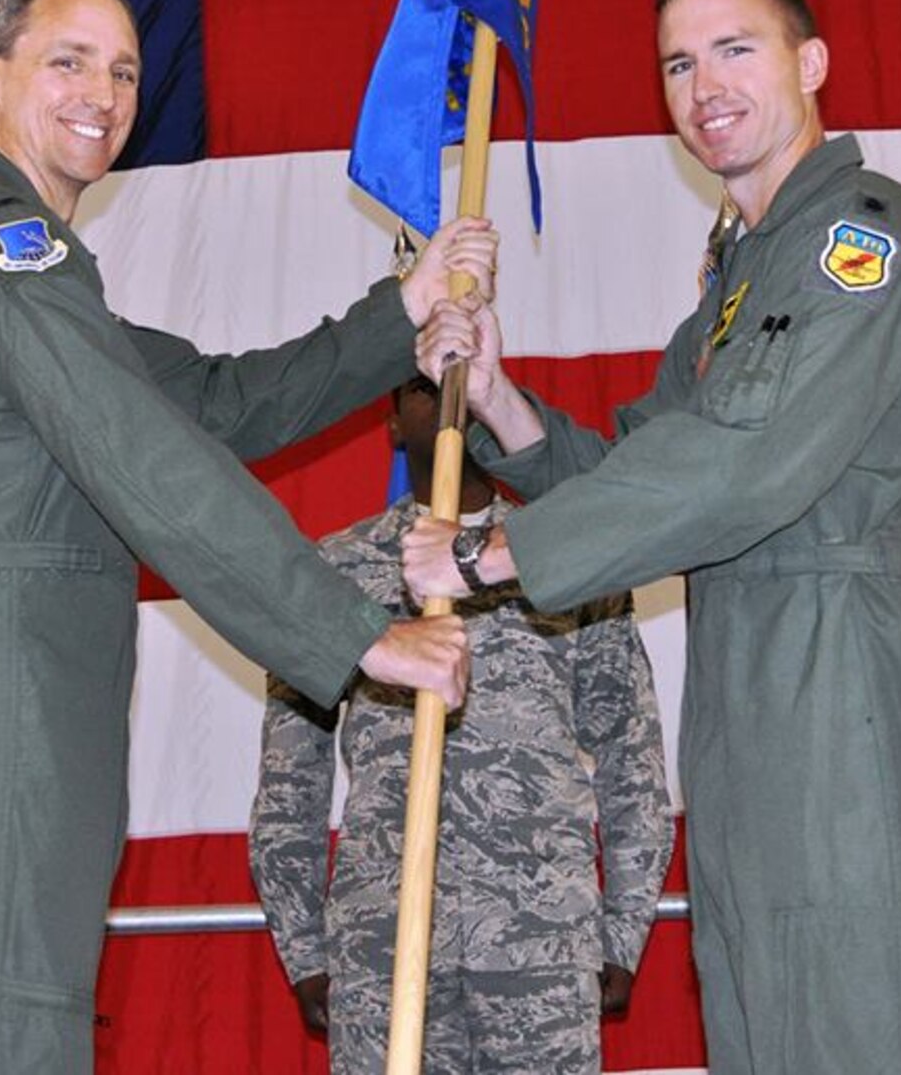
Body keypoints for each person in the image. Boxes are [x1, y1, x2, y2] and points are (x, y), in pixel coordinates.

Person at [0, 0, 492, 1075]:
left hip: (19, 683)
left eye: (125, 69)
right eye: (69, 60)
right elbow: (143, 458)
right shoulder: (1, 252)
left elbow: (212, 402)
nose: (103, 89)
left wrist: (405, 310)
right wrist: (358, 635)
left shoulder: (32, 275)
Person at [403, 0, 901, 1071]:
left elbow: (743, 465)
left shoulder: (858, 243)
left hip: (847, 689)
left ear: (809, 62)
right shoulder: (744, 278)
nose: (702, 83)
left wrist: (488, 555)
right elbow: (647, 465)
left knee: (860, 1037)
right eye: (678, 62)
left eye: (736, 47)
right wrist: (496, 398)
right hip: (753, 692)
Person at [248, 374, 674, 1075]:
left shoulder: (568, 560)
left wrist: (621, 933)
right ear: (388, 423)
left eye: (463, 385)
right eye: (423, 388)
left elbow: (633, 760)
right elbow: (290, 780)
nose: (448, 402)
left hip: (541, 950)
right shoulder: (337, 571)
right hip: (383, 952)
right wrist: (305, 950)